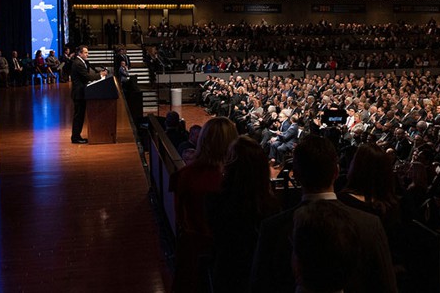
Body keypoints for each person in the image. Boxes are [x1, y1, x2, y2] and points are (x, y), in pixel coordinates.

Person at [250, 135, 397, 293]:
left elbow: (259, 286)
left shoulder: (272, 228)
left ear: (296, 175)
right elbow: (386, 286)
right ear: (336, 172)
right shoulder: (370, 225)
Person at [170, 117, 238, 293]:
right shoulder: (235, 180)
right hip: (226, 257)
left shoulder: (185, 174)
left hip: (191, 253)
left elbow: (180, 215)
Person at [207, 136, 281, 293]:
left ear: (230, 165)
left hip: (225, 272)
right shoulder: (271, 205)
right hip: (258, 278)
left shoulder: (215, 199)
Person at [70, 45, 106, 144]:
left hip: (81, 92)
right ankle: (76, 137)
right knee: (78, 116)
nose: (87, 54)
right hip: (79, 93)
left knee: (80, 116)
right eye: (85, 52)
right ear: (80, 53)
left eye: (87, 52)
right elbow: (86, 76)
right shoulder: (78, 63)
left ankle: (77, 136)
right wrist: (100, 75)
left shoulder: (82, 62)